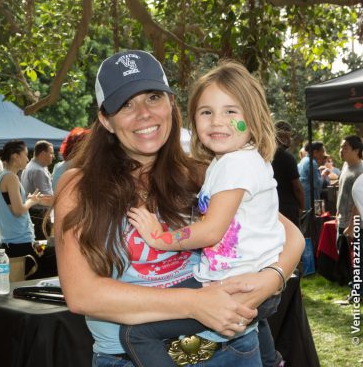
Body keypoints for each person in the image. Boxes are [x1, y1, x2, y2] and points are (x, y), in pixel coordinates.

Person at [53, 50, 304, 367]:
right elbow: (81, 294)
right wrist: (194, 304)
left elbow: (290, 234)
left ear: (171, 105)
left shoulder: (201, 173)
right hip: (130, 359)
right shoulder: (78, 186)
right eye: (126, 104)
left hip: (233, 351)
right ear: (106, 120)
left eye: (154, 97)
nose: (144, 113)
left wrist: (271, 281)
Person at [123, 60, 285, 367]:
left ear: (252, 118)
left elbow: (211, 231)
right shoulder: (230, 162)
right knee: (249, 326)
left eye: (230, 111)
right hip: (247, 280)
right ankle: (271, 360)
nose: (217, 121)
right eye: (206, 112)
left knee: (136, 335)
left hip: (237, 286)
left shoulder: (236, 164)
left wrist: (161, 238)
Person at [0, 140, 55, 278]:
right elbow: (17, 210)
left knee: (47, 250)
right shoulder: (11, 177)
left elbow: (13, 205)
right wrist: (31, 201)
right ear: (16, 156)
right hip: (20, 243)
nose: (28, 159)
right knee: (52, 257)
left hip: (19, 241)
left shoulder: (6, 176)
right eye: (25, 155)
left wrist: (30, 200)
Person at [272, 121, 304, 227]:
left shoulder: (264, 155)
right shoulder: (286, 158)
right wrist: (301, 207)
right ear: (284, 137)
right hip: (287, 208)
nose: (290, 140)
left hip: (271, 207)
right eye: (289, 136)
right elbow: (297, 187)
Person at [20, 140, 54, 239]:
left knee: (38, 248)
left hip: (34, 214)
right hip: (39, 216)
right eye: (51, 153)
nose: (53, 156)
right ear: (43, 154)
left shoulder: (31, 166)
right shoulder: (38, 170)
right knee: (42, 250)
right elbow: (47, 199)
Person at [336, 135, 363, 236]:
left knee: (355, 252)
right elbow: (342, 192)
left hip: (356, 226)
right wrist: (337, 214)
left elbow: (359, 201)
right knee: (341, 252)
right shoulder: (345, 165)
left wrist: (352, 226)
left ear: (356, 151)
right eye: (341, 147)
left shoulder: (361, 171)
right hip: (341, 221)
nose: (341, 150)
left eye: (345, 148)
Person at [298, 141, 329, 210]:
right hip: (310, 200)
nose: (323, 155)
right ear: (315, 152)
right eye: (322, 152)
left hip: (305, 199)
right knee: (313, 219)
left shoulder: (304, 160)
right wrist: (323, 175)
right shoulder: (312, 162)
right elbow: (317, 184)